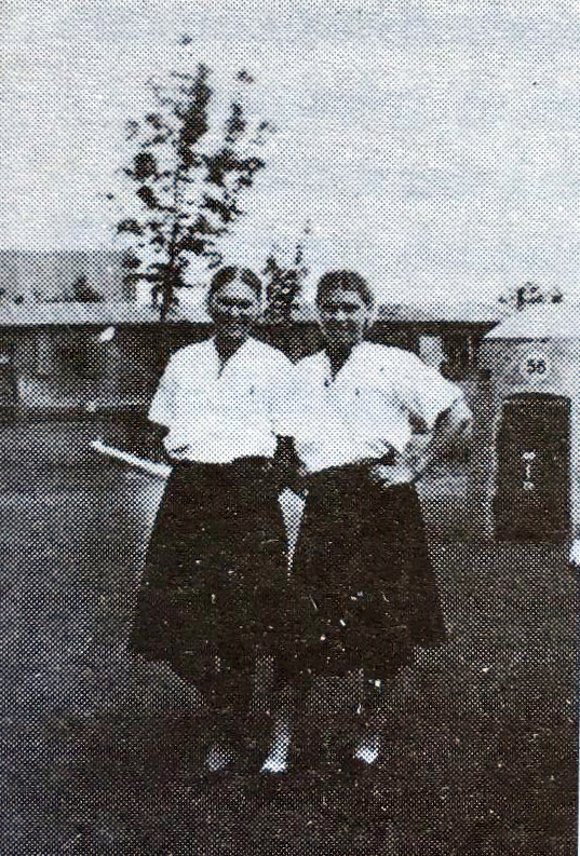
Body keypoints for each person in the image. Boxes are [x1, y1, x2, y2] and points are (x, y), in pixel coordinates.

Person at [273, 270, 473, 773]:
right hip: (326, 506)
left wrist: (413, 466)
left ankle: (368, 735)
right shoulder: (302, 372)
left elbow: (459, 415)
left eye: (350, 307)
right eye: (331, 307)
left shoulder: (394, 364)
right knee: (302, 625)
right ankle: (280, 744)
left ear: (369, 312)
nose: (340, 317)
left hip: (382, 503)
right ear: (317, 313)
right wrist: (296, 473)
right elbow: (284, 440)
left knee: (383, 629)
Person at [129, 265, 294, 774]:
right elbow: (161, 428)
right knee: (174, 616)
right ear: (210, 305)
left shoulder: (274, 365)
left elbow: (289, 442)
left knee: (243, 618)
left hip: (249, 496)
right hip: (190, 496)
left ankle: (229, 727)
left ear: (259, 309)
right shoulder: (185, 360)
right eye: (225, 301)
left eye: (245, 303)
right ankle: (233, 707)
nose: (234, 312)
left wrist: (261, 484)